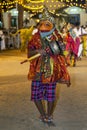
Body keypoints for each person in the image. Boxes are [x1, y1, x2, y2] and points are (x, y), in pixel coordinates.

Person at [27, 7, 71, 126]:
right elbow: (29, 54)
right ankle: (42, 114)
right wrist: (39, 51)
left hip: (52, 71)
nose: (43, 26)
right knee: (35, 95)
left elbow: (62, 52)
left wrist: (56, 49)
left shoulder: (57, 37)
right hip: (37, 71)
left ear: (52, 25)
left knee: (50, 95)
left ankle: (49, 115)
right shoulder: (35, 38)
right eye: (41, 24)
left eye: (46, 24)